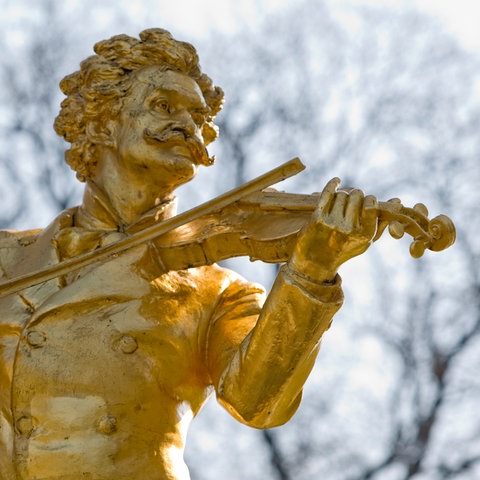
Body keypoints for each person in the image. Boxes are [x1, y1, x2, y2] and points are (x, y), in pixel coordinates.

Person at [0, 29, 377, 479]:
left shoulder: (217, 291)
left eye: (198, 117)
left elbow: (259, 404)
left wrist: (312, 272)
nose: (188, 127)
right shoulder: (7, 257)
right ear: (101, 122)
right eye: (164, 107)